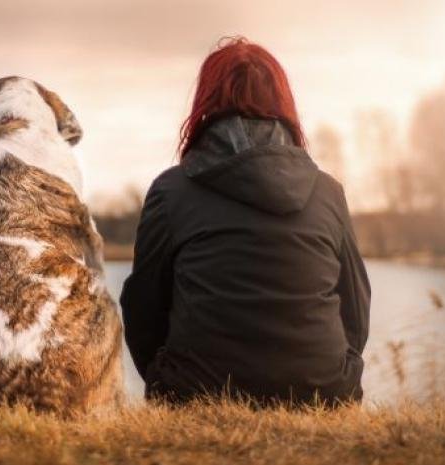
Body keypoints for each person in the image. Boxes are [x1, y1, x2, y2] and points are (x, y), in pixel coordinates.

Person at [120, 36, 370, 406]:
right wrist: (338, 374)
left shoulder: (171, 191)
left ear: (205, 102)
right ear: (283, 102)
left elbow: (143, 308)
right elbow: (356, 306)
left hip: (196, 393)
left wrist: (164, 379)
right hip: (323, 393)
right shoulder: (327, 192)